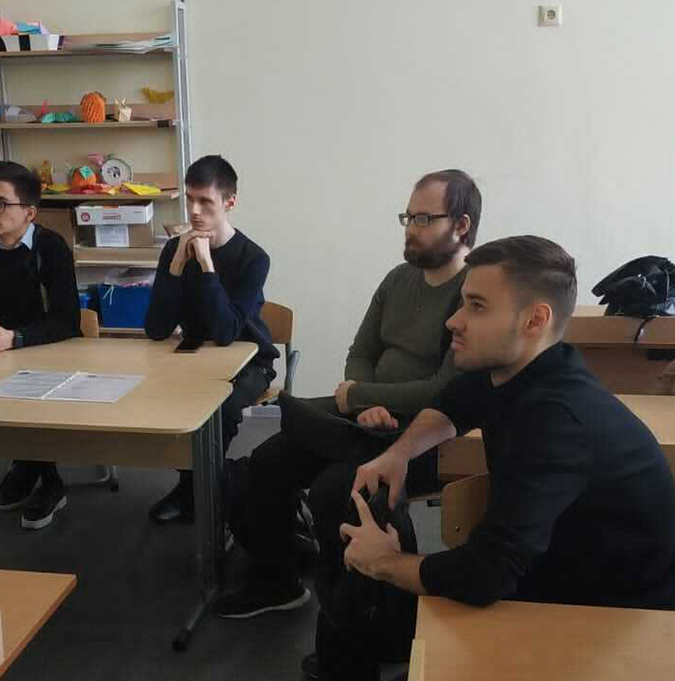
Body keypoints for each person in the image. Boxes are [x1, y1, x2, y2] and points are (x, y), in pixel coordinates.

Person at [325, 236, 675, 681]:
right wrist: (399, 454)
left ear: (535, 320)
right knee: (353, 597)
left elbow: (487, 575)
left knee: (368, 584)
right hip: (548, 575)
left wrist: (385, 563)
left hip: (613, 619)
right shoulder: (521, 369)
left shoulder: (554, 421)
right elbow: (454, 403)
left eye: (477, 306)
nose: (454, 320)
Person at [216, 169, 481, 619]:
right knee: (265, 463)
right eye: (408, 217)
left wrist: (362, 396)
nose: (410, 229)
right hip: (366, 419)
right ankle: (277, 581)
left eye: (423, 219)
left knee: (335, 491)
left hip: (424, 434)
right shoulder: (398, 280)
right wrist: (366, 401)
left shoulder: (472, 294)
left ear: (461, 225)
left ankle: (351, 623)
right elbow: (361, 352)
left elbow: (445, 389)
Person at [144, 155, 278, 523]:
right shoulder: (174, 250)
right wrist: (176, 265)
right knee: (159, 397)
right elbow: (156, 329)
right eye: (190, 199)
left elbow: (226, 332)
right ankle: (194, 484)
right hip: (194, 355)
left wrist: (205, 265)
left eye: (206, 201)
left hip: (250, 360)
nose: (194, 211)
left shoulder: (254, 258)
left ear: (230, 202)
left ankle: (202, 490)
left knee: (219, 408)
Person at [0, 160, 80, 530]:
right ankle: (26, 466)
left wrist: (15, 338)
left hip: (46, 349)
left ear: (29, 213)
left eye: (1, 203)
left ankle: (47, 479)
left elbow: (67, 320)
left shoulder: (51, 248)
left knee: (35, 396)